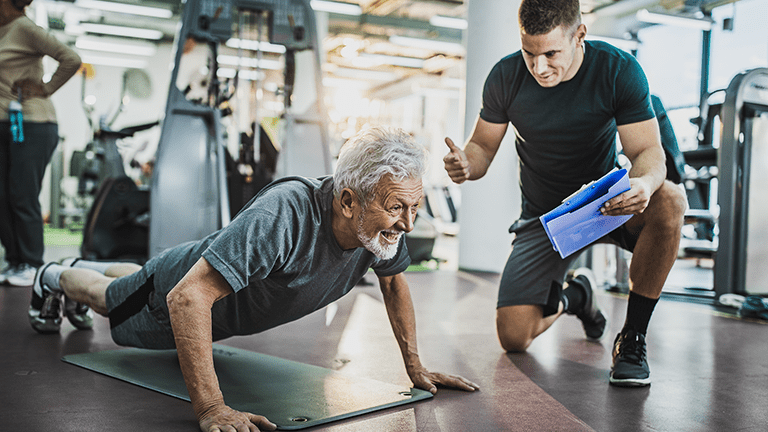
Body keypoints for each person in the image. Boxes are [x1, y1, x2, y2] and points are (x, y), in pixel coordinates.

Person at [31, 126, 479, 431]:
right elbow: (187, 299)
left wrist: (415, 367)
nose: (406, 224)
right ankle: (54, 276)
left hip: (188, 273)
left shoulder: (376, 228)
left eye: (414, 208)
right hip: (177, 289)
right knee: (110, 299)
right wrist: (211, 408)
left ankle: (93, 271)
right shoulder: (284, 216)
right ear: (348, 201)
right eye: (398, 208)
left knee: (140, 277)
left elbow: (395, 282)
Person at [443, 0, 686, 387]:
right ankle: (578, 296)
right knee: (514, 337)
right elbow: (482, 148)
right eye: (530, 53)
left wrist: (644, 183)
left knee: (670, 200)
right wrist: (466, 165)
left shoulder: (617, 69)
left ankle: (633, 338)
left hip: (607, 204)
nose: (540, 67)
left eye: (551, 53)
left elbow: (647, 152)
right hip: (546, 216)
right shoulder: (506, 76)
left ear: (580, 35)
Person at [0, 0, 82, 286]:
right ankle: (14, 261)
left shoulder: (25, 28)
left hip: (32, 123)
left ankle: (33, 264)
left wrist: (45, 88)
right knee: (3, 197)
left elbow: (71, 58)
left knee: (22, 194)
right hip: (5, 124)